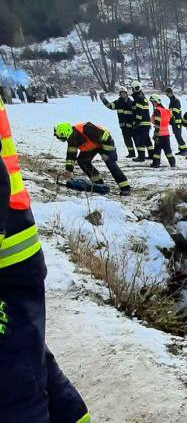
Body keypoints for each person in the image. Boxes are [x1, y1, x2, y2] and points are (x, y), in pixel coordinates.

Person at [0, 96, 92, 423]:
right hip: (13, 249)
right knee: (28, 361)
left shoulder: (87, 130)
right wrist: (68, 172)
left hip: (8, 257)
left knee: (14, 391)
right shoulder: (72, 137)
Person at [53, 122, 131, 196]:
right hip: (92, 147)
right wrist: (69, 170)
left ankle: (125, 188)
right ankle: (98, 184)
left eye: (62, 138)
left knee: (110, 162)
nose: (62, 140)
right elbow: (71, 155)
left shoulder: (87, 129)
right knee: (82, 161)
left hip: (105, 144)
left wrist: (106, 153)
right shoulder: (71, 138)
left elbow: (107, 138)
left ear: (66, 133)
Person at [100, 87, 137, 158]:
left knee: (136, 140)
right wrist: (103, 100)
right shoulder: (118, 102)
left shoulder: (132, 102)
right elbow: (110, 106)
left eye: (124, 93)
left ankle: (140, 154)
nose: (123, 94)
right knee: (127, 140)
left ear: (126, 94)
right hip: (123, 125)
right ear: (120, 94)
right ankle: (131, 153)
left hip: (132, 125)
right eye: (121, 93)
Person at [149, 95, 176, 168]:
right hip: (166, 134)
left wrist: (156, 135)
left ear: (156, 102)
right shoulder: (166, 110)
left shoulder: (157, 110)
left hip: (160, 134)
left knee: (157, 150)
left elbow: (157, 123)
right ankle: (172, 163)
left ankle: (156, 163)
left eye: (153, 102)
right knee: (168, 150)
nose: (152, 103)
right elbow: (172, 121)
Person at [130, 81, 153, 162]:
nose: (132, 90)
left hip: (142, 123)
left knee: (141, 140)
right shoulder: (142, 97)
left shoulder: (139, 98)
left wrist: (136, 123)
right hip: (146, 123)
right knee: (147, 140)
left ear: (135, 88)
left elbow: (139, 112)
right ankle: (151, 155)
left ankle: (141, 157)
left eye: (132, 88)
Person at [164, 88, 187, 156]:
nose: (167, 95)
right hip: (174, 122)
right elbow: (171, 111)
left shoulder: (176, 101)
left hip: (177, 122)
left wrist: (171, 116)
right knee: (177, 136)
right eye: (166, 94)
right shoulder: (172, 101)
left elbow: (176, 112)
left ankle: (184, 150)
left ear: (171, 93)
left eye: (167, 94)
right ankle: (181, 150)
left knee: (178, 136)